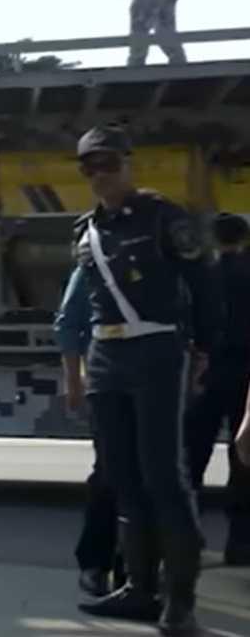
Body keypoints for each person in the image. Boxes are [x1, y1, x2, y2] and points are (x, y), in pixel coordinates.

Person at [70, 124, 219, 634]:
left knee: (164, 478)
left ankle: (180, 604)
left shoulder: (163, 217)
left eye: (109, 163)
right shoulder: (86, 232)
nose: (100, 175)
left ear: (128, 165)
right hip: (106, 354)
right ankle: (138, 588)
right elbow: (91, 302)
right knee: (121, 477)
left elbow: (204, 284)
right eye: (90, 167)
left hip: (157, 348)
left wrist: (203, 349)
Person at [183, 212, 250, 565]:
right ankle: (240, 543)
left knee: (192, 456)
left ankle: (185, 536)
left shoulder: (204, 275)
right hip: (244, 376)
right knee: (243, 460)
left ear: (214, 239)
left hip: (208, 375)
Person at [58, 265, 128, 596]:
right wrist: (74, 380)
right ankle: (96, 564)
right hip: (109, 382)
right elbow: (70, 324)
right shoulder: (95, 262)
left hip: (158, 383)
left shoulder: (167, 254)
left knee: (155, 478)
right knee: (109, 473)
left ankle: (136, 569)